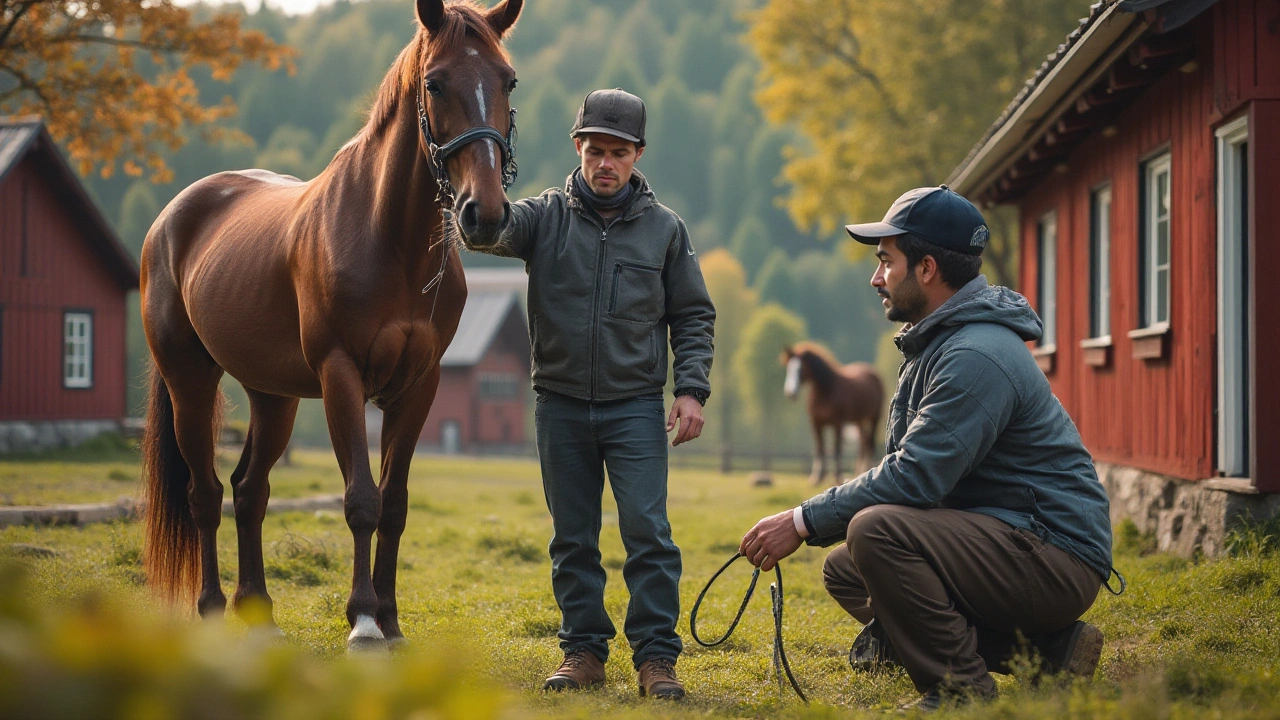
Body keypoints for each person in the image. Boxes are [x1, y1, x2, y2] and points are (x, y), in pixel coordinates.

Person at [737, 186, 1119, 711]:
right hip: (1008, 538)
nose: (876, 278)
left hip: (1052, 556)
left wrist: (801, 521)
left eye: (885, 262)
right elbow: (904, 473)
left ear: (927, 268)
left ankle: (962, 691)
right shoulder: (937, 344)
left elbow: (913, 479)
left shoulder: (976, 355)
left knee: (876, 533)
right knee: (847, 568)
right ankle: (1050, 651)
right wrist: (816, 523)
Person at [462, 88, 715, 701]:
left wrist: (691, 390)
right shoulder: (543, 217)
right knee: (572, 536)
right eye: (595, 150)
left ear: (637, 155)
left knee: (647, 532)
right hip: (560, 404)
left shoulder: (665, 231)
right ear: (577, 148)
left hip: (634, 408)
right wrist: (477, 191)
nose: (606, 163)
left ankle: (657, 660)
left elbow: (694, 315)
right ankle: (583, 653)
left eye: (618, 152)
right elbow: (486, 232)